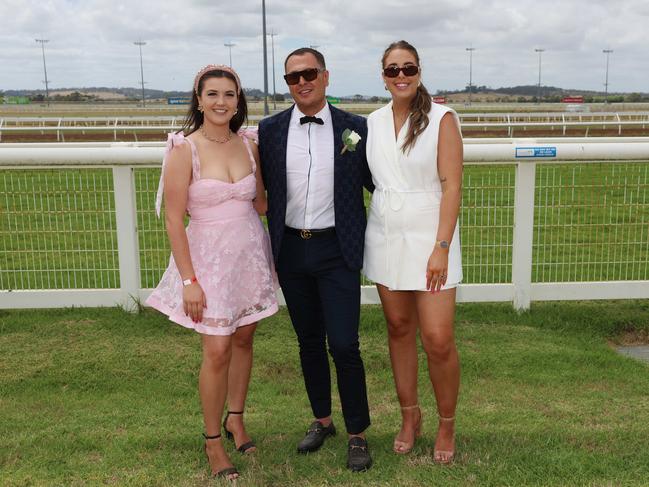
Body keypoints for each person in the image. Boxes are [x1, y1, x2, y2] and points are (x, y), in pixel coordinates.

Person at [146, 64, 278, 480]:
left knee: (244, 337)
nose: (222, 102)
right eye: (213, 94)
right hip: (207, 261)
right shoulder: (183, 148)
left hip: (249, 255)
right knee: (217, 349)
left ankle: (235, 418)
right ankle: (212, 442)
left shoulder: (249, 144)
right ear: (199, 99)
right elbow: (172, 219)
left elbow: (261, 204)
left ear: (239, 101)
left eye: (230, 95)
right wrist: (189, 280)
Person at [257, 48, 374, 472]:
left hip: (337, 249)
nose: (301, 82)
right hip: (291, 249)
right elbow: (256, 186)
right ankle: (323, 420)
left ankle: (358, 432)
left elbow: (378, 183)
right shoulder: (268, 131)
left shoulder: (354, 128)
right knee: (308, 341)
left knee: (344, 344)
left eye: (309, 74)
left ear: (325, 77)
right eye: (292, 77)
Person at [363, 40, 463, 464]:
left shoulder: (442, 119)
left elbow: (452, 186)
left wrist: (441, 247)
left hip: (431, 238)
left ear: (419, 71)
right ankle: (410, 416)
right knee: (398, 329)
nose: (400, 75)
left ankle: (446, 422)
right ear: (383, 76)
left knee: (437, 339)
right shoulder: (372, 121)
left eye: (407, 68)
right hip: (385, 235)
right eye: (392, 70)